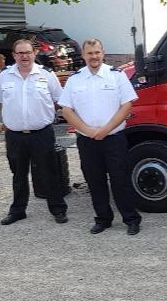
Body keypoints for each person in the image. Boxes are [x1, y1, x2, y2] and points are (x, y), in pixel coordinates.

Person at [58, 39, 142, 235]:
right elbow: (67, 110)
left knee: (120, 180)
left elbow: (127, 105)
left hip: (113, 137)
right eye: (89, 53)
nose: (94, 56)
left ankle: (131, 219)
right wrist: (88, 130)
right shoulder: (75, 79)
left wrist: (105, 129)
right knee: (94, 181)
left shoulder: (116, 76)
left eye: (97, 52)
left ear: (103, 54)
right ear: (83, 56)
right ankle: (103, 218)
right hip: (87, 140)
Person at [0, 39, 68, 224]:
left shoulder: (47, 75)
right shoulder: (4, 77)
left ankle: (58, 209)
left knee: (49, 173)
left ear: (34, 54)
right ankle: (18, 210)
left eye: (28, 52)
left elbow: (58, 101)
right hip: (15, 135)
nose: (24, 56)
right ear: (14, 55)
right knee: (18, 174)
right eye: (20, 53)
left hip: (42, 133)